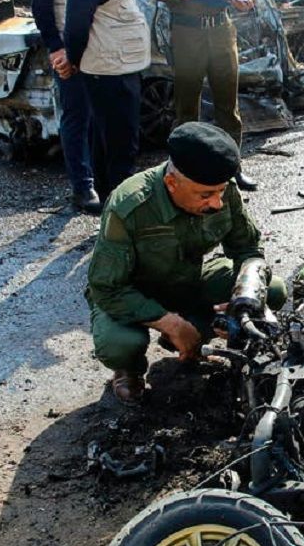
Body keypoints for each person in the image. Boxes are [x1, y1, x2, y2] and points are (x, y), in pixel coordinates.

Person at [85, 123, 287, 405]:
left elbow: (248, 249)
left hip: (188, 281)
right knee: (121, 344)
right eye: (205, 195)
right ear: (172, 183)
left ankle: (197, 335)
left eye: (219, 192)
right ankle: (129, 369)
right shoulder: (129, 204)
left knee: (269, 291)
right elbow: (106, 288)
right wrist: (170, 323)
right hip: (132, 292)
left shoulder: (222, 190)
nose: (217, 203)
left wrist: (241, 300)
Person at [148, 0, 258, 191]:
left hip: (222, 32)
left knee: (228, 107)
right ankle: (184, 172)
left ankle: (233, 167)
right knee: (186, 109)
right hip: (186, 34)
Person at [31, 0, 110, 215]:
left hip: (100, 46)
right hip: (69, 46)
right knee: (76, 115)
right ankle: (82, 185)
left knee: (99, 116)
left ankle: (102, 180)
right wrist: (55, 47)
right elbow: (40, 4)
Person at [63, 0, 150, 203]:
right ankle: (120, 212)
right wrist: (73, 61)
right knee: (118, 150)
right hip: (107, 74)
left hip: (118, 69)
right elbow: (76, 26)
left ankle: (112, 210)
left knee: (111, 147)